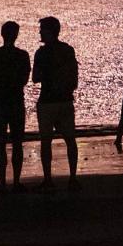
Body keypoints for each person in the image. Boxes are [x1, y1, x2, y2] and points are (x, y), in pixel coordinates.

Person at [31, 16, 78, 188]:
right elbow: (74, 78)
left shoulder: (41, 53)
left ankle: (48, 179)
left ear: (50, 31)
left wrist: (48, 73)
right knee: (70, 140)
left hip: (48, 101)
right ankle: (72, 178)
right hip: (64, 99)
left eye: (42, 29)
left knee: (46, 141)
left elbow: (35, 77)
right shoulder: (67, 50)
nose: (40, 32)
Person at [0, 20, 31, 191]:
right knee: (17, 142)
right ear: (16, 35)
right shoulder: (23, 55)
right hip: (16, 101)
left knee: (0, 143)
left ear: (2, 34)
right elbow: (24, 80)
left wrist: (3, 77)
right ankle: (16, 182)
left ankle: (3, 183)